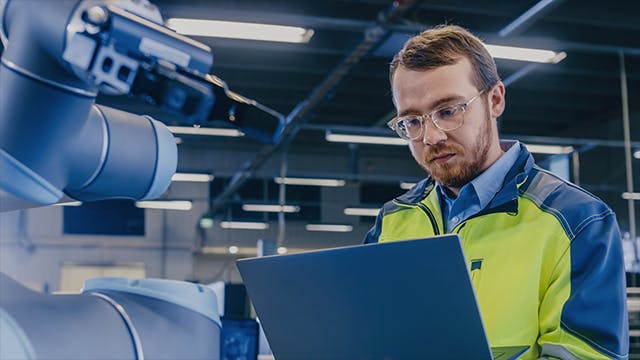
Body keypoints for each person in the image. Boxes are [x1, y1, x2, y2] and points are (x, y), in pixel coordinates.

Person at [365, 25, 628, 359]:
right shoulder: (393, 221)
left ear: (495, 99)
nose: (430, 136)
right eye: (412, 121)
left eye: (447, 111)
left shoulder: (577, 222)